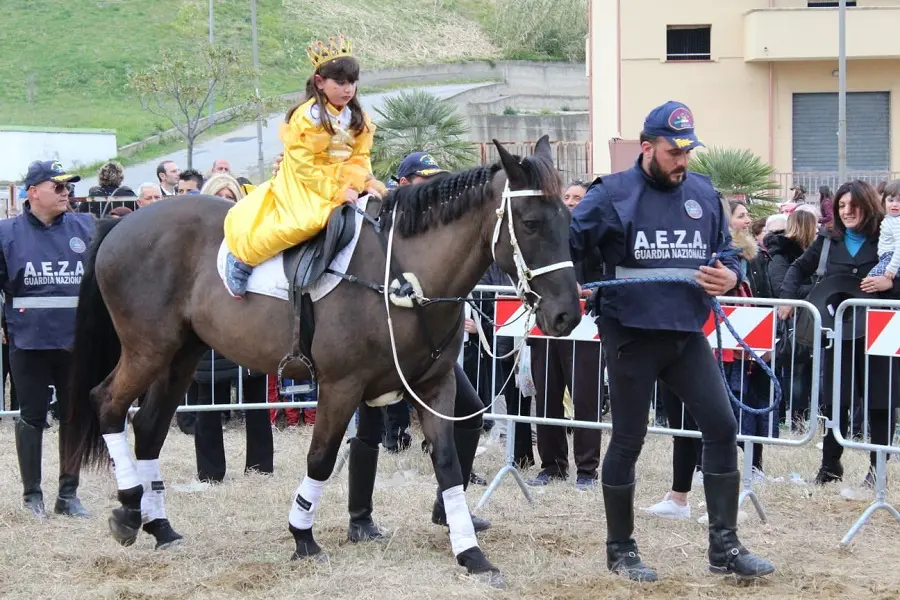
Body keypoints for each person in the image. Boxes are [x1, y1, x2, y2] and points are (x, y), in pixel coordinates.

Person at [569, 101, 774, 582]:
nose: (682, 160)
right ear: (646, 147)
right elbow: (568, 246)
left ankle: (724, 547)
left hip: (686, 334)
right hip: (632, 335)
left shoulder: (704, 192)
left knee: (722, 428)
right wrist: (577, 284)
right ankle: (620, 551)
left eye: (687, 151)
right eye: (672, 151)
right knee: (628, 439)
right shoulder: (610, 193)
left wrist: (732, 273)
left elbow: (727, 250)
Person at [223, 35, 385, 299]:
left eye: (352, 82)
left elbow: (360, 155)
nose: (348, 89)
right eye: (340, 82)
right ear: (320, 82)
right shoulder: (306, 116)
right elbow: (303, 165)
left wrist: (360, 182)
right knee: (306, 222)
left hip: (345, 177)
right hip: (305, 179)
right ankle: (243, 257)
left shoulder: (358, 117)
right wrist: (336, 193)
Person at [779, 180, 900, 486]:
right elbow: (797, 268)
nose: (847, 212)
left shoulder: (888, 237)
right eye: (841, 206)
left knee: (879, 402)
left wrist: (891, 285)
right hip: (839, 334)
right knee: (835, 400)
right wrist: (787, 299)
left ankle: (878, 472)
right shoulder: (828, 238)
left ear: (868, 206)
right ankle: (830, 467)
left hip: (878, 333)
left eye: (853, 206)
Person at [1, 160, 95, 518]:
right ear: (33, 192)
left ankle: (68, 495)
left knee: (74, 416)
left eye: (68, 187)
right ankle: (32, 496)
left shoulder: (85, 227)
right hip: (28, 340)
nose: (66, 192)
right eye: (57, 187)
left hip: (76, 342)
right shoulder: (5, 233)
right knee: (31, 417)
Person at [527, 179, 604, 491]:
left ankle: (587, 470)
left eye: (578, 197)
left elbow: (608, 276)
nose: (571, 201)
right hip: (546, 325)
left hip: (586, 328)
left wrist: (589, 291)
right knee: (546, 396)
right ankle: (552, 465)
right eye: (567, 196)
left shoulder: (598, 236)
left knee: (586, 399)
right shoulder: (546, 237)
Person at [867, 179, 900, 280]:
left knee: (870, 279)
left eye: (899, 201)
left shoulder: (897, 222)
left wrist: (892, 267)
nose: (894, 204)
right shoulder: (889, 218)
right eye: (891, 200)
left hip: (891, 258)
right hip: (886, 258)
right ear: (884, 201)